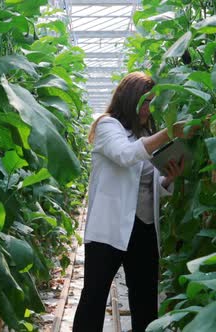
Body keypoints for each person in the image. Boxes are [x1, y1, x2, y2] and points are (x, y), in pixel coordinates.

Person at [73, 72, 196, 331]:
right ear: (130, 99)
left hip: (143, 228)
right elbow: (125, 155)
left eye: (152, 102)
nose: (148, 108)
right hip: (110, 228)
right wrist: (169, 132)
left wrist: (168, 180)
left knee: (145, 300)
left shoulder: (147, 133)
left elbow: (151, 186)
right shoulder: (108, 126)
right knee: (94, 297)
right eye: (145, 101)